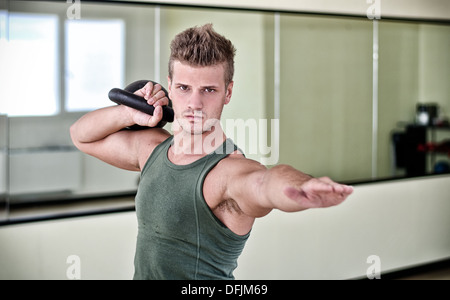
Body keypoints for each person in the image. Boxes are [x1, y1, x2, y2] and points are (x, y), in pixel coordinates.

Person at [70, 24, 353, 280]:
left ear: (227, 93)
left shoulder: (227, 171)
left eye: (208, 90)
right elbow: (81, 136)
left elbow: (264, 182)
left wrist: (301, 185)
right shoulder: (151, 149)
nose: (194, 103)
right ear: (169, 85)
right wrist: (128, 113)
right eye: (183, 88)